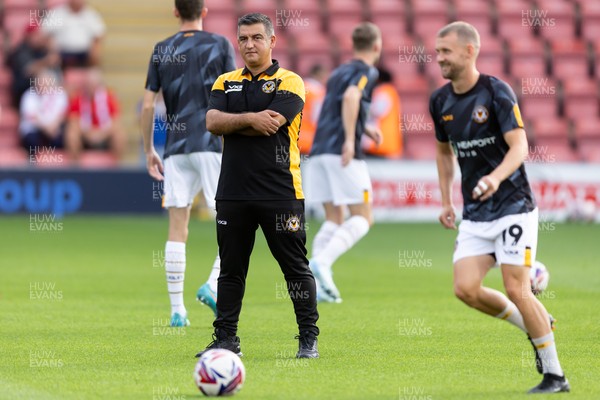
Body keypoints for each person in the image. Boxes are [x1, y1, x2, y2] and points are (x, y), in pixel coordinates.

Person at [429, 21, 569, 394]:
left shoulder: (496, 92)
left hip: (513, 204)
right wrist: (445, 199)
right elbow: (444, 154)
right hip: (476, 213)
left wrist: (496, 178)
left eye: (446, 50)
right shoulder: (439, 100)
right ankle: (537, 325)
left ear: (470, 51)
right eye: (437, 50)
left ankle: (555, 375)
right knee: (466, 289)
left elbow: (520, 147)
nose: (438, 57)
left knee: (516, 289)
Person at [197, 13, 319, 359]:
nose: (249, 44)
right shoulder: (225, 81)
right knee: (231, 271)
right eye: (244, 39)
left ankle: (308, 338)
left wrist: (233, 123)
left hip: (280, 191)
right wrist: (251, 118)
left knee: (295, 268)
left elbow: (274, 124)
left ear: (271, 41)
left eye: (256, 38)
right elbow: (211, 122)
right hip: (233, 192)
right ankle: (225, 340)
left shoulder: (291, 81)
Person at [141, 0, 236, 327]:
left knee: (177, 227)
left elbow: (147, 105)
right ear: (203, 12)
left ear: (175, 12)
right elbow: (233, 93)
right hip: (213, 142)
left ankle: (177, 311)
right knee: (232, 223)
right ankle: (211, 285)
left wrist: (148, 149)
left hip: (176, 146)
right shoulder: (220, 44)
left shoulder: (162, 48)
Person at [305, 22, 383, 303]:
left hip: (320, 151)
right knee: (363, 217)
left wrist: (365, 127)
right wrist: (351, 139)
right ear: (377, 46)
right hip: (342, 152)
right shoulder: (367, 71)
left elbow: (335, 106)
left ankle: (314, 283)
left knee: (333, 218)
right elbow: (352, 97)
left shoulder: (338, 72)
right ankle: (322, 264)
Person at [65, 68, 125, 161]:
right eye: (89, 84)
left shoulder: (109, 98)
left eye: (94, 84)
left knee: (120, 134)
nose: (91, 87)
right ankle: (76, 166)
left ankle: (116, 167)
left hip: (105, 134)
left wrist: (101, 134)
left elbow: (116, 121)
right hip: (84, 135)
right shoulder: (77, 98)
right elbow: (73, 121)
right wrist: (89, 133)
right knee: (71, 134)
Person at [8, 24, 61, 109]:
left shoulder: (42, 50)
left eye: (40, 35)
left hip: (44, 92)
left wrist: (52, 50)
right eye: (36, 35)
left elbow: (55, 67)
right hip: (25, 91)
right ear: (28, 36)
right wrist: (46, 61)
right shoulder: (21, 50)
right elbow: (28, 70)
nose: (40, 38)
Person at [42, 0, 106, 68]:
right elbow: (45, 34)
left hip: (84, 55)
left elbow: (99, 35)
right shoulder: (56, 14)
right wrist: (52, 50)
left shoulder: (91, 15)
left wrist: (94, 52)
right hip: (61, 54)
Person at [19, 69, 69, 153]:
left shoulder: (60, 94)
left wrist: (53, 127)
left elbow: (63, 114)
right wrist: (47, 128)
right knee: (32, 141)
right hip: (34, 129)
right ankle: (31, 163)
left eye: (44, 82)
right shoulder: (28, 95)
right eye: (39, 81)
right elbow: (31, 117)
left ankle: (56, 164)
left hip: (54, 129)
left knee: (61, 139)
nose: (41, 84)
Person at [362, 66, 402, 158]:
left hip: (379, 143)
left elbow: (375, 111)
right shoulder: (391, 91)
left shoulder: (384, 91)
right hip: (386, 143)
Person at [297, 64, 327, 155]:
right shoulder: (318, 91)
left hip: (294, 138)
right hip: (310, 141)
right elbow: (318, 118)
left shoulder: (298, 87)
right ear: (320, 75)